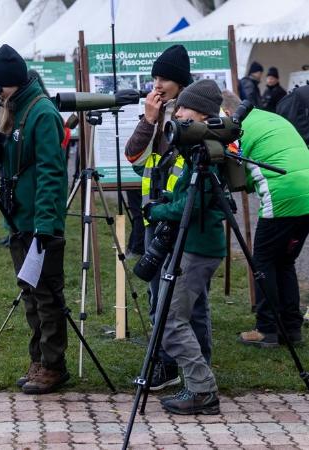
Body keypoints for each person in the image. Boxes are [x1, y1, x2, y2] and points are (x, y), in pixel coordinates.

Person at [0, 45, 68, 395]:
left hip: (38, 221)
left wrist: (45, 225)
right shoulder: (12, 111)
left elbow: (51, 172)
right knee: (31, 294)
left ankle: (53, 365)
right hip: (20, 218)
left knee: (46, 295)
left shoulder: (41, 112)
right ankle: (39, 359)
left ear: (9, 84)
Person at [143, 79, 226, 415]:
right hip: (192, 244)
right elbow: (186, 196)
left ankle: (202, 389)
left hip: (197, 246)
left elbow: (194, 205)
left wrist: (158, 210)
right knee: (176, 315)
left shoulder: (208, 151)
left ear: (203, 115)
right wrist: (169, 199)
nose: (176, 113)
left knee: (170, 320)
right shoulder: (196, 148)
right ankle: (199, 383)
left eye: (183, 108)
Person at [124, 44, 191, 391]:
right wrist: (149, 120)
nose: (158, 84)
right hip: (155, 218)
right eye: (155, 77)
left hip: (183, 216)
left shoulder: (192, 111)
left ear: (180, 81)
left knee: (185, 300)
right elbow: (133, 154)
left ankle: (191, 368)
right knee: (156, 294)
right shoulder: (156, 113)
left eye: (164, 78)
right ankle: (166, 364)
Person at [221, 91, 309, 348]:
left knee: (264, 261)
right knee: (285, 261)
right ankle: (292, 328)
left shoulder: (235, 129)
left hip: (283, 194)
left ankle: (266, 329)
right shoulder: (269, 117)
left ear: (226, 113)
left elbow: (238, 180)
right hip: (306, 194)